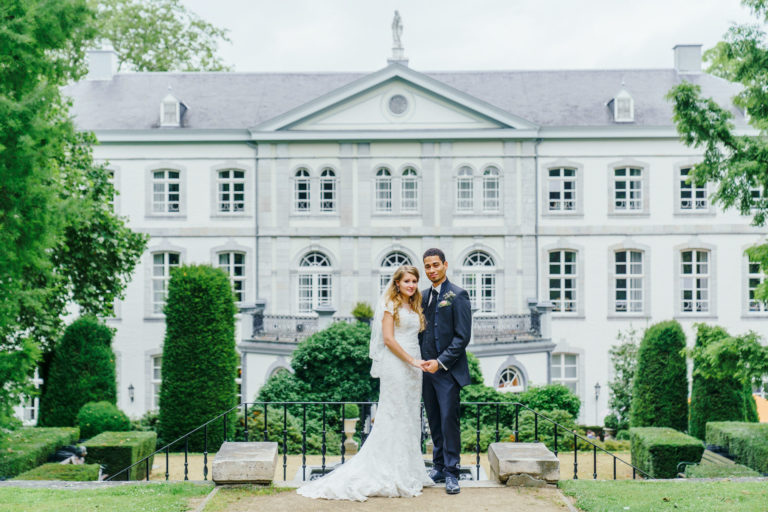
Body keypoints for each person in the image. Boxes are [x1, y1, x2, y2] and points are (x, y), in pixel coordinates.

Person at [297, 265, 433, 501]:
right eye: (407, 281)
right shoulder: (390, 305)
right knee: (394, 415)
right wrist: (412, 360)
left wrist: (418, 362)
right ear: (397, 283)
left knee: (410, 416)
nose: (411, 285)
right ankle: (391, 472)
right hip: (398, 364)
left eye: (414, 281)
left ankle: (409, 470)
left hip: (415, 367)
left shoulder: (414, 305)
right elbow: (389, 340)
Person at [419, 248, 472, 495]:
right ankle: (438, 467)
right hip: (426, 372)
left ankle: (452, 473)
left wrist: (440, 363)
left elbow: (462, 338)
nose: (431, 270)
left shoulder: (458, 295)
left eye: (435, 265)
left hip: (447, 372)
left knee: (449, 422)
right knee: (434, 422)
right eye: (427, 266)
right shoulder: (422, 297)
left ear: (445, 265)